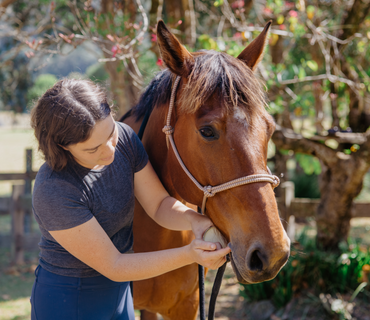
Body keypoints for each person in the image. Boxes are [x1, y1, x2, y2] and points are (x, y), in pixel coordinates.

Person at [29, 78, 230, 320]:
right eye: (93, 149)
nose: (111, 151)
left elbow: (158, 205)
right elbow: (114, 265)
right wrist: (190, 254)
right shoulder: (54, 189)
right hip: (70, 299)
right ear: (62, 147)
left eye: (110, 133)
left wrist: (194, 220)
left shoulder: (124, 139)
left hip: (120, 293)